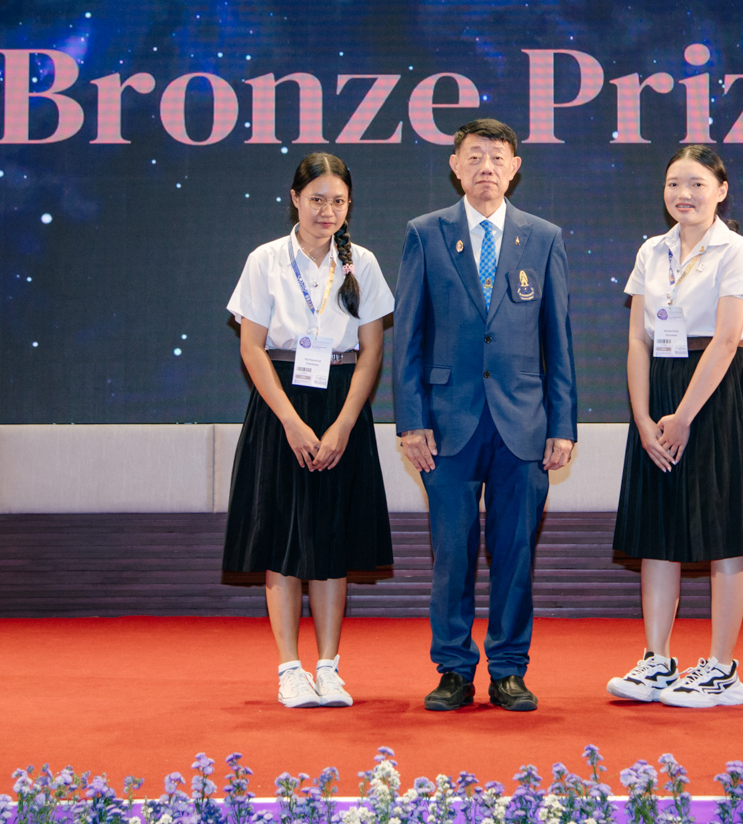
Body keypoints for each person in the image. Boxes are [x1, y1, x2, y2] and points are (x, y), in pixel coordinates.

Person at [393, 117, 577, 713]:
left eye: (497, 158)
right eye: (474, 157)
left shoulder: (543, 237)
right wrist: (411, 420)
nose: (486, 168)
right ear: (455, 166)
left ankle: (508, 670)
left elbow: (558, 341)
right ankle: (452, 668)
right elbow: (408, 338)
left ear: (515, 168)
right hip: (446, 425)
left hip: (524, 425)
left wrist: (562, 425)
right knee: (451, 554)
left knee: (515, 554)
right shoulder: (425, 234)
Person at [222, 152, 395, 709]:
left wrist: (344, 423)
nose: (327, 211)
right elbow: (252, 348)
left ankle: (328, 667)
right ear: (295, 198)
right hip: (281, 405)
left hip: (342, 403)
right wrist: (291, 422)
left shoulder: (362, 263)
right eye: (317, 199)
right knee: (283, 536)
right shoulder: (266, 260)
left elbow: (371, 352)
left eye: (338, 201)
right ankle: (289, 670)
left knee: (331, 538)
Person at [607, 143, 743, 708]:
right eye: (674, 184)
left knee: (724, 528)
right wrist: (643, 416)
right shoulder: (651, 251)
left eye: (698, 184)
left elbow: (727, 339)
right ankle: (657, 660)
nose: (684, 194)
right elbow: (638, 339)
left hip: (714, 392)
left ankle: (722, 669)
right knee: (659, 529)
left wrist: (683, 416)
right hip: (659, 389)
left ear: (721, 191)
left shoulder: (737, 250)